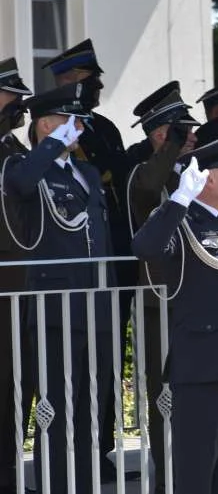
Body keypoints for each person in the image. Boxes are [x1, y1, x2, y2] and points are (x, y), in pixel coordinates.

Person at [131, 133, 218, 494]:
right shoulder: (181, 219)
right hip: (205, 371)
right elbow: (146, 247)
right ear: (207, 178)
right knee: (196, 477)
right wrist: (179, 197)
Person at [4, 82, 115, 494]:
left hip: (96, 302)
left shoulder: (86, 174)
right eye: (72, 122)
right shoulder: (23, 166)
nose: (80, 130)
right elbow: (20, 187)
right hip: (57, 304)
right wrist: (49, 147)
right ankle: (54, 484)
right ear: (48, 124)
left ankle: (83, 484)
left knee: (91, 404)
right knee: (56, 405)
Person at [126, 81, 199, 493]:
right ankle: (165, 475)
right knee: (163, 393)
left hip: (194, 293)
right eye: (181, 130)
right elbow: (151, 191)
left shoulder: (189, 170)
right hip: (161, 297)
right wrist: (171, 147)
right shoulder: (145, 172)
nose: (192, 136)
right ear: (160, 134)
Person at [0, 60, 31, 494]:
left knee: (13, 382)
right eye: (12, 99)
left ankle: (9, 474)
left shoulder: (16, 150)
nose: (19, 106)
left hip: (17, 281)